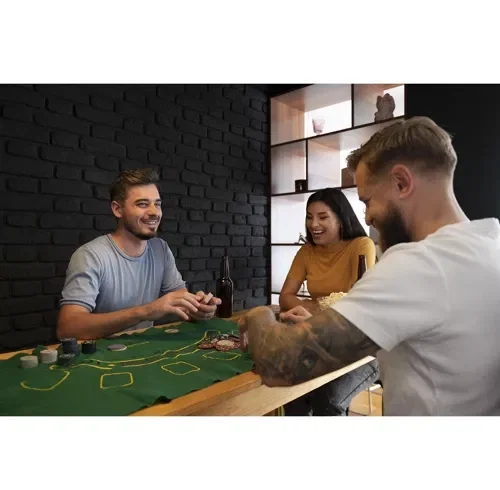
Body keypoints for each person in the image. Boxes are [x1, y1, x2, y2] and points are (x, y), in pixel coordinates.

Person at [239, 116, 500, 416]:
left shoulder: (419, 265)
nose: (367, 217)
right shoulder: (489, 245)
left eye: (368, 201)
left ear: (401, 183)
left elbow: (278, 363)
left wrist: (259, 315)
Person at [57, 168, 220, 341]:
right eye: (142, 204)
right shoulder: (90, 255)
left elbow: (182, 304)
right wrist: (147, 311)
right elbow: (68, 328)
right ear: (117, 209)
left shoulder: (160, 249)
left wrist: (199, 308)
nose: (154, 212)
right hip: (100, 354)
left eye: (157, 204)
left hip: (143, 349)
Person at [279, 188, 379, 416]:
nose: (313, 224)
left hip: (365, 346)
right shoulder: (307, 252)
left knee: (328, 399)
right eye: (309, 217)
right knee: (291, 391)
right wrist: (317, 308)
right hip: (322, 340)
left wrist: (316, 308)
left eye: (323, 217)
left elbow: (358, 306)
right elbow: (285, 296)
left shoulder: (361, 245)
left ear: (341, 219)